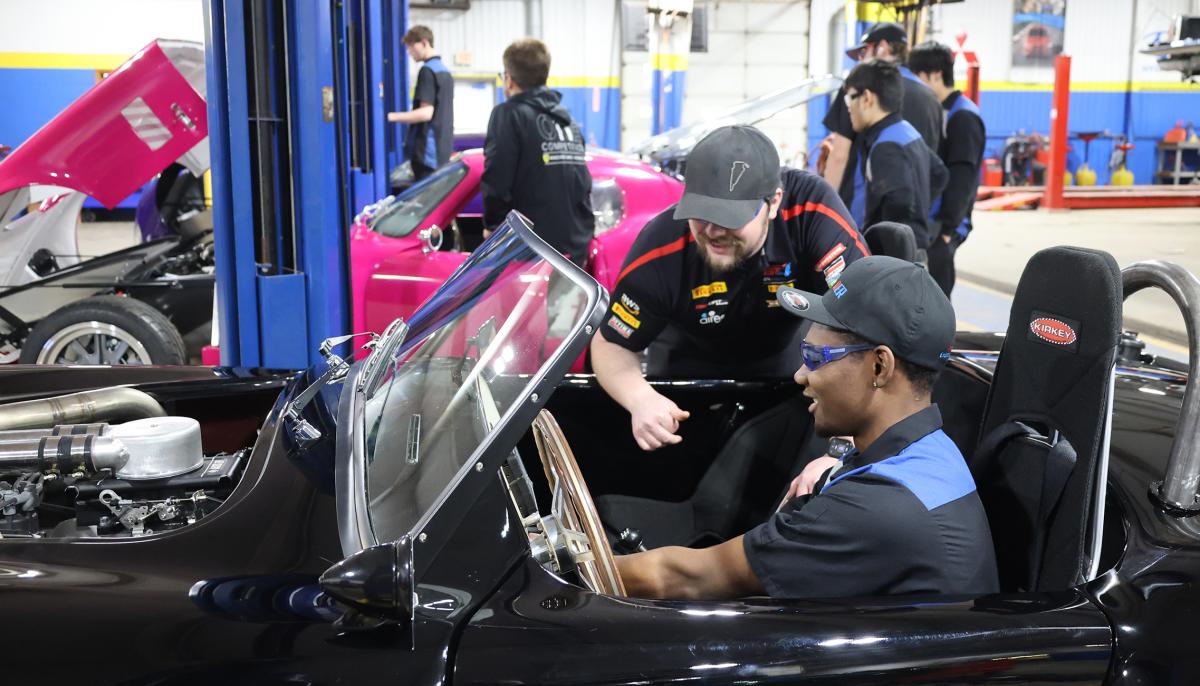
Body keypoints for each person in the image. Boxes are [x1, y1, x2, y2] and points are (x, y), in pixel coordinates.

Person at [615, 255, 1000, 600]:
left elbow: (681, 579)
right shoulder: (927, 452)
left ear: (879, 368)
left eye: (815, 357)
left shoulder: (874, 511)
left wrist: (566, 574)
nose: (801, 375)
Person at [591, 125, 868, 451]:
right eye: (701, 214)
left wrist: (845, 443)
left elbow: (862, 322)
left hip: (793, 377)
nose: (712, 231)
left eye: (728, 217)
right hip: (692, 387)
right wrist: (640, 400)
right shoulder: (662, 248)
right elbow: (611, 344)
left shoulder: (812, 213)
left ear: (774, 202)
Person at [482, 38, 594, 266]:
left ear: (509, 79)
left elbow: (497, 176)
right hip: (574, 249)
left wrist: (493, 227)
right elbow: (581, 184)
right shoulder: (566, 120)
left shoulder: (509, 114)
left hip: (532, 250)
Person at [821, 22, 944, 228]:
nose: (860, 60)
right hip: (914, 226)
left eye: (863, 52)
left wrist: (825, 215)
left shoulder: (860, 88)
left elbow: (839, 156)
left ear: (882, 47)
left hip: (864, 221)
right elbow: (938, 171)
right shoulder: (930, 96)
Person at [843, 59, 947, 251]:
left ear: (867, 98)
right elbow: (940, 174)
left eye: (850, 98)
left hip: (897, 261)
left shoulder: (886, 146)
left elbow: (899, 203)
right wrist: (921, 216)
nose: (848, 106)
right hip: (915, 251)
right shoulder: (906, 131)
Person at [909, 42, 987, 296]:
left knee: (936, 301)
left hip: (943, 227)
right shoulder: (938, 111)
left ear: (935, 75)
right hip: (931, 222)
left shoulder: (962, 117)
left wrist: (947, 230)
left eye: (917, 78)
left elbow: (963, 177)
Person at [387, 26, 454, 181]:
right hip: (442, 150)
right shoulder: (444, 71)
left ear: (424, 42)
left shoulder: (427, 71)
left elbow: (426, 113)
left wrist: (390, 117)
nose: (409, 52)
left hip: (427, 153)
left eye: (411, 46)